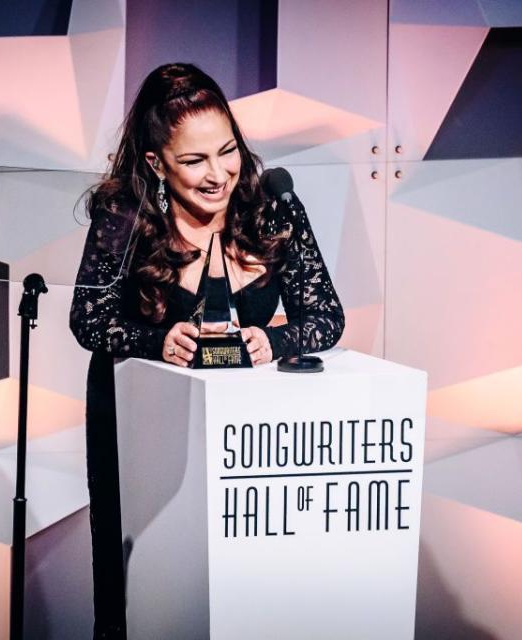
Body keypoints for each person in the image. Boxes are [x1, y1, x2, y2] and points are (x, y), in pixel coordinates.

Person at [69, 62, 344, 639]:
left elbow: (327, 318)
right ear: (155, 164)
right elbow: (87, 319)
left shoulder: (273, 206)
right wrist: (154, 341)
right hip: (140, 427)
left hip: (246, 438)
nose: (218, 174)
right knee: (136, 588)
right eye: (194, 161)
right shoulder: (124, 217)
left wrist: (275, 340)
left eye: (228, 151)